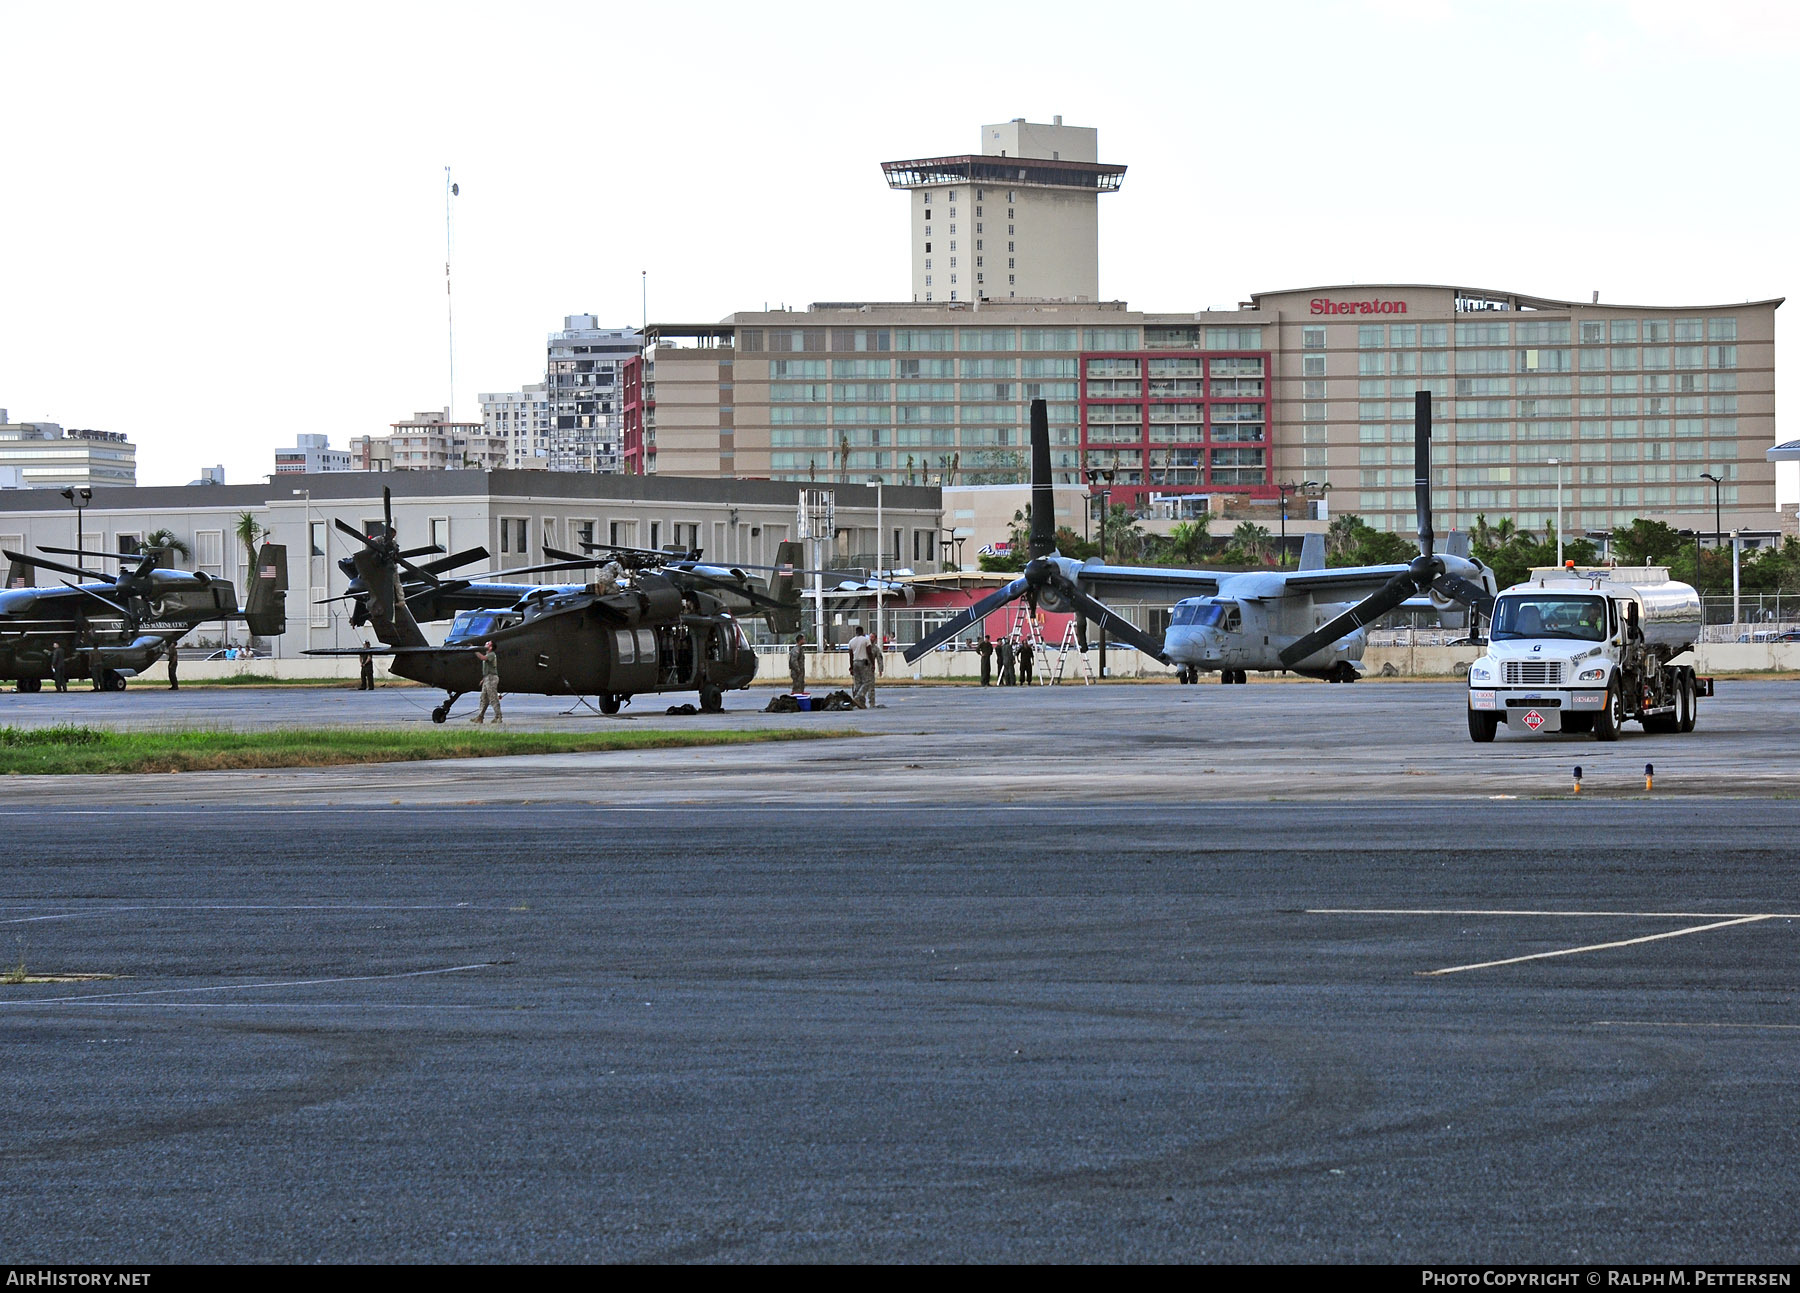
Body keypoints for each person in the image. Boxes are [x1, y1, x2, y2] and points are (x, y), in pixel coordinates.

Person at [847, 623, 882, 709]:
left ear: (856, 632)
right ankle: (858, 697)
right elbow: (869, 652)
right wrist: (872, 663)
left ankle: (861, 703)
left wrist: (851, 666)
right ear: (862, 632)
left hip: (855, 662)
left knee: (858, 683)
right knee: (867, 681)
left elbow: (850, 655)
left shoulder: (851, 641)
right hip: (863, 662)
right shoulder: (866, 640)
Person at [472, 639, 503, 724]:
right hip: (487, 678)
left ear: (491, 647)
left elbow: (483, 658)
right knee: (483, 698)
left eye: (488, 643)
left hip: (492, 678)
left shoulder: (491, 654)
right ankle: (480, 717)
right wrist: (484, 679)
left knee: (493, 698)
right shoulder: (488, 654)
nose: (486, 644)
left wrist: (474, 650)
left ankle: (498, 716)